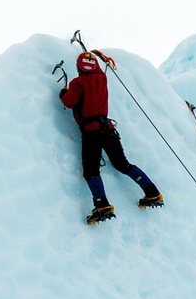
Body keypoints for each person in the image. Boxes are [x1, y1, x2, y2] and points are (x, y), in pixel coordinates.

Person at [59, 50, 164, 224]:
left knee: (91, 170)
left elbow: (69, 102)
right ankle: (152, 192)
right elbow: (99, 71)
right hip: (108, 129)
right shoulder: (102, 78)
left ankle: (102, 205)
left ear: (79, 68)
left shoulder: (78, 83)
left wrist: (63, 92)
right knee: (123, 164)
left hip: (91, 132)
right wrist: (95, 56)